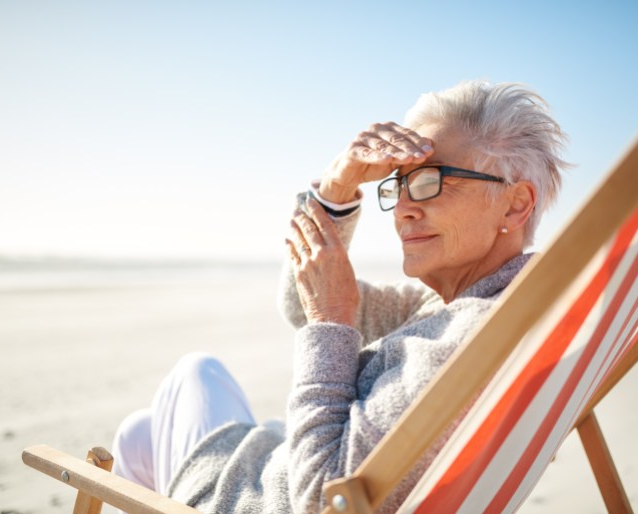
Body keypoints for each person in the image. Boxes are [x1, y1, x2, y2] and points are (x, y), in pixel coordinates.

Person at [111, 79, 569, 513]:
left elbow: (321, 500)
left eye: (430, 180)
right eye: (400, 184)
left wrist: (331, 317)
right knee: (140, 433)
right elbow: (297, 305)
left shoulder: (470, 336)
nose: (405, 208)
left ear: (515, 203)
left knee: (195, 372)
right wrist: (336, 190)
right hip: (273, 471)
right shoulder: (480, 305)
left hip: (262, 499)